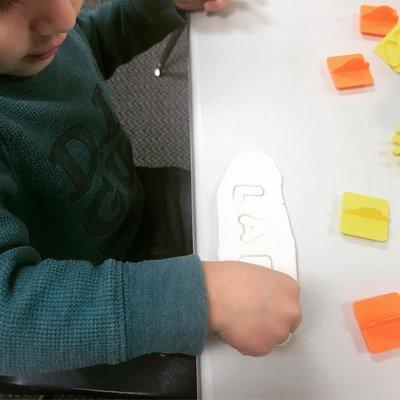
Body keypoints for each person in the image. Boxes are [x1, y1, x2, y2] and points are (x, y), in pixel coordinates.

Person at [0, 0, 301, 376]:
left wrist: (159, 5)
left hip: (131, 204)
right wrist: (200, 297)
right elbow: (8, 323)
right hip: (90, 309)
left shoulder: (42, 36)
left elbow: (87, 44)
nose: (64, 17)